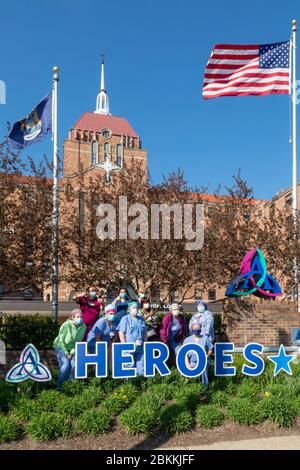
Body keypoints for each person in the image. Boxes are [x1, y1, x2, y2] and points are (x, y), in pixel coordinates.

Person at [53, 308, 86, 390]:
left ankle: (70, 384)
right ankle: (59, 385)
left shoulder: (83, 327)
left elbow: (78, 341)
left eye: (81, 317)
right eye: (78, 317)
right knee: (66, 364)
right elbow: (61, 340)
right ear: (72, 317)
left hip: (72, 348)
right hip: (60, 346)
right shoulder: (66, 325)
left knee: (74, 364)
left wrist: (71, 352)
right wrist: (66, 353)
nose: (80, 319)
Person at [118, 301, 147, 375]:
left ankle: (141, 381)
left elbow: (145, 332)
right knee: (129, 365)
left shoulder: (141, 319)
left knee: (141, 366)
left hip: (140, 347)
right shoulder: (125, 318)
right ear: (129, 310)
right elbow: (121, 332)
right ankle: (128, 384)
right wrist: (124, 345)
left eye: (137, 308)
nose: (136, 309)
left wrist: (145, 343)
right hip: (129, 347)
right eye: (134, 308)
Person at [183, 321, 214, 386]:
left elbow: (211, 349)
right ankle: (187, 383)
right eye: (195, 328)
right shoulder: (187, 340)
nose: (196, 329)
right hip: (192, 361)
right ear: (192, 329)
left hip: (204, 360)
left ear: (200, 329)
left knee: (203, 366)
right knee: (185, 367)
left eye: (198, 328)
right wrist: (188, 364)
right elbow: (184, 353)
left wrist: (207, 356)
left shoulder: (205, 338)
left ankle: (205, 385)